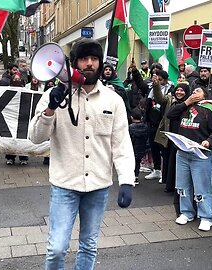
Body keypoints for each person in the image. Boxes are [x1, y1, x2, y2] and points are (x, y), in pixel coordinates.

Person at [29, 38, 135, 270]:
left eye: (94, 59)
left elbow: (121, 143)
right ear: (74, 63)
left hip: (98, 185)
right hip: (65, 184)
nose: (89, 64)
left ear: (99, 63)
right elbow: (35, 137)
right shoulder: (53, 95)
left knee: (89, 245)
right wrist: (50, 109)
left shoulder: (113, 100)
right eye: (84, 59)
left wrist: (127, 180)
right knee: (56, 249)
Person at [167, 86, 212, 232]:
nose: (194, 93)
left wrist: (209, 141)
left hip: (201, 155)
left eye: (197, 91)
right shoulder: (185, 107)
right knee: (182, 185)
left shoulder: (210, 110)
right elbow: (170, 114)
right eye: (193, 91)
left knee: (202, 187)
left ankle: (205, 216)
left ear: (205, 95)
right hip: (183, 153)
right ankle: (186, 212)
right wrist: (186, 102)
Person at [6, 73, 29, 165]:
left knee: (22, 139)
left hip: (22, 117)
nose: (17, 81)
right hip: (11, 117)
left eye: (18, 79)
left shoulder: (26, 90)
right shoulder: (7, 90)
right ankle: (10, 157)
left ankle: (23, 157)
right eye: (15, 79)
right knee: (11, 139)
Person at [129, 108, 149, 186]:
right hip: (141, 148)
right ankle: (136, 177)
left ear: (131, 117)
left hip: (132, 148)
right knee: (137, 163)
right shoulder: (145, 127)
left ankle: (131, 178)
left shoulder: (130, 127)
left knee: (130, 163)